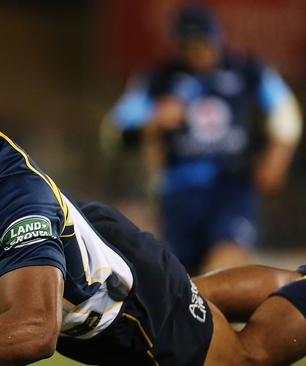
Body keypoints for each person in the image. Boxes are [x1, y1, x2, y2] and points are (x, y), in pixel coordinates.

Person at [0, 45, 306, 365]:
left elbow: (36, 330)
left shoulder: (12, 195)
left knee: (248, 355)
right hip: (70, 273)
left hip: (121, 306)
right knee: (190, 291)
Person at [109, 4, 302, 275]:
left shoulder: (247, 70)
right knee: (183, 278)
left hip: (232, 185)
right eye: (189, 45)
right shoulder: (157, 79)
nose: (198, 52)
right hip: (178, 193)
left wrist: (276, 158)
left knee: (225, 256)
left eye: (203, 43)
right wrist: (153, 120)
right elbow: (116, 131)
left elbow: (285, 113)